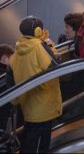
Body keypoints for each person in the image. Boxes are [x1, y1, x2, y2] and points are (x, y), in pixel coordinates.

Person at [9, 17, 60, 153]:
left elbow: (10, 79)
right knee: (40, 146)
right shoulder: (39, 46)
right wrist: (50, 45)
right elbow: (55, 66)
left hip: (29, 107)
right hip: (44, 106)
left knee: (28, 142)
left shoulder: (16, 52)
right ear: (38, 31)